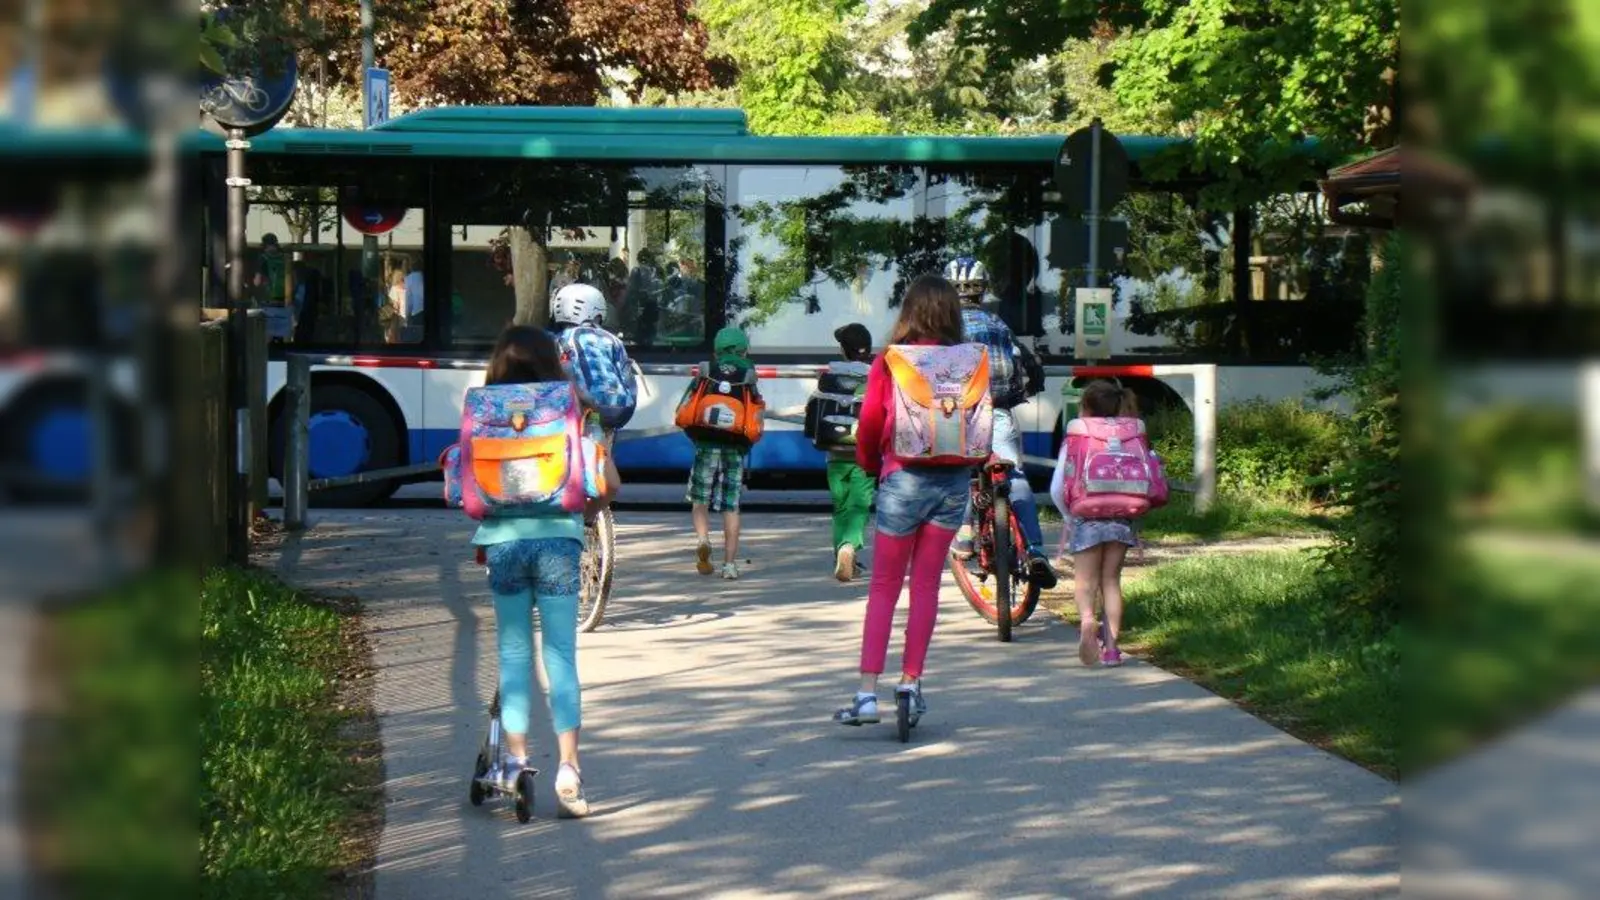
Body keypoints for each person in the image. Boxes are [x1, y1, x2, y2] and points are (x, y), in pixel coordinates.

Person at [470, 325, 618, 817]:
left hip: (503, 545)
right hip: (558, 539)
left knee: (513, 655)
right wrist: (589, 513)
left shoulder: (483, 410)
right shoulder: (572, 408)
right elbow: (608, 481)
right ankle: (570, 771)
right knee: (561, 656)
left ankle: (515, 764)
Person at [833, 275, 980, 727]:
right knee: (926, 587)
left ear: (909, 311)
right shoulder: (972, 361)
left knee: (883, 587)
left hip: (904, 478)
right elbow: (979, 420)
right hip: (952, 480)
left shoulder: (892, 361)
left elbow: (873, 421)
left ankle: (865, 694)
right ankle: (911, 682)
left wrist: (872, 466)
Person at [945, 256, 1058, 590]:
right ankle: (1036, 551)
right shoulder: (999, 325)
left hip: (960, 414)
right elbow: (1025, 365)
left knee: (958, 471)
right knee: (1015, 476)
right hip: (998, 412)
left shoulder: (944, 328)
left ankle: (965, 536)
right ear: (983, 291)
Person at [1050, 379, 1144, 668]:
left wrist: (1068, 515)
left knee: (1085, 582)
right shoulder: (1132, 434)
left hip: (1086, 517)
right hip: (1122, 516)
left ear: (1086, 407)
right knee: (1111, 581)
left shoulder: (1078, 436)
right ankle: (1113, 650)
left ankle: (1088, 621)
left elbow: (1057, 487)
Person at [686, 325, 759, 580]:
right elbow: (754, 415)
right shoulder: (749, 374)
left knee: (699, 499)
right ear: (742, 349)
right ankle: (729, 564)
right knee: (731, 506)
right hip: (735, 449)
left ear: (717, 349)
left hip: (706, 445)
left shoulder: (706, 371)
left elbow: (687, 409)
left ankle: (703, 540)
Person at [549, 282, 638, 446]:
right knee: (605, 454)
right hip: (620, 410)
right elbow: (627, 376)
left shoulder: (559, 339)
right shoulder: (612, 339)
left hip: (583, 409)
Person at [824, 323, 876, 582]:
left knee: (841, 506)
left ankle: (840, 555)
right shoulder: (874, 375)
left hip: (834, 452)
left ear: (844, 350)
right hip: (864, 452)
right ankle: (849, 548)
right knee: (860, 504)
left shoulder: (831, 374)